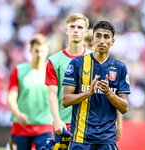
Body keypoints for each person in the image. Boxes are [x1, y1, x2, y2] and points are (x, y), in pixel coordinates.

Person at [61, 21, 131, 149]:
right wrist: (88, 93)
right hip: (81, 139)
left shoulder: (120, 67)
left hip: (106, 140)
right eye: (98, 36)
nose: (102, 41)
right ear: (93, 39)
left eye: (106, 37)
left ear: (112, 41)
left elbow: (124, 107)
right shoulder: (77, 63)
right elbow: (65, 100)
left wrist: (109, 93)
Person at [45, 13, 93, 144]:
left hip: (90, 125)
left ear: (86, 32)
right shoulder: (54, 61)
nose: (76, 30)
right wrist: (56, 119)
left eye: (79, 27)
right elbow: (52, 94)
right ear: (66, 30)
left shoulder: (95, 59)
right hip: (64, 125)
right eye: (72, 27)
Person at [7, 33, 53, 150]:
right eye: (36, 51)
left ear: (47, 51)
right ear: (30, 50)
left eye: (42, 51)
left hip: (45, 127)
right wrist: (17, 114)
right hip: (21, 127)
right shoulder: (19, 70)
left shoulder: (52, 72)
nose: (39, 54)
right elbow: (11, 96)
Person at [84, 28, 122, 141]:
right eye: (90, 44)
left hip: (105, 129)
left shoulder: (112, 68)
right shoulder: (78, 67)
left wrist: (119, 124)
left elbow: (118, 99)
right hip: (83, 128)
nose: (92, 47)